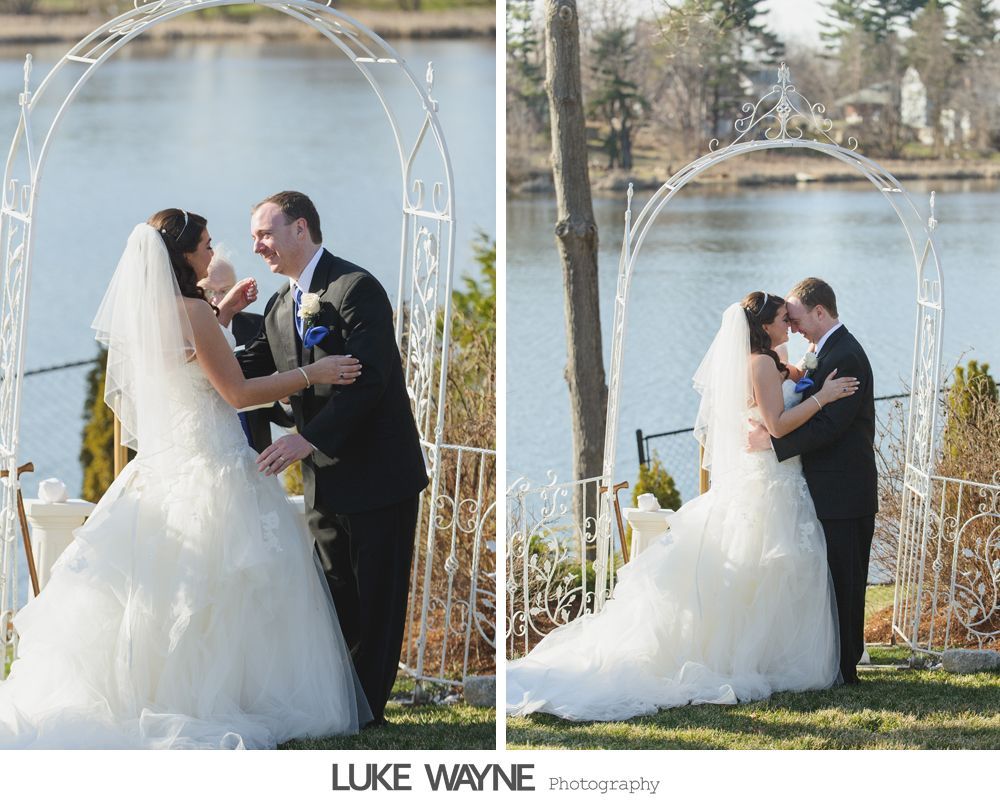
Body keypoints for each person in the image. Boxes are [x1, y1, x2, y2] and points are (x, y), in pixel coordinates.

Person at [0, 210, 370, 748]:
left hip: (165, 465)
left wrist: (222, 315)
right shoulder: (194, 311)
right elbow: (240, 394)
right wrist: (313, 373)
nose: (211, 249)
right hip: (214, 464)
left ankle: (151, 693)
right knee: (229, 589)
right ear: (182, 256)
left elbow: (187, 360)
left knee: (165, 593)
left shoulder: (154, 313)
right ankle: (223, 698)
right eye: (204, 243)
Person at [506, 292, 858, 721]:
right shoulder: (761, 364)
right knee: (769, 567)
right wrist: (825, 397)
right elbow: (778, 423)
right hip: (769, 481)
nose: (790, 325)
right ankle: (757, 658)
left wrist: (806, 379)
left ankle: (767, 654)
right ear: (765, 325)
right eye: (784, 318)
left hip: (776, 474)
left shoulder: (769, 360)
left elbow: (782, 395)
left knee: (768, 570)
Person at [238, 191, 428, 726]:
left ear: (301, 228)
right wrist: (212, 319)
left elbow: (370, 380)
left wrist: (308, 440)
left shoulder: (355, 289)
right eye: (255, 236)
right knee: (335, 596)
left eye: (265, 233)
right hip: (322, 481)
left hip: (379, 474)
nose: (258, 246)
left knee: (378, 599)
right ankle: (337, 703)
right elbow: (245, 374)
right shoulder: (280, 305)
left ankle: (367, 712)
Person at [748, 278, 877, 684]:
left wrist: (773, 444)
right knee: (827, 579)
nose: (795, 326)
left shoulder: (847, 356)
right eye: (788, 320)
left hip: (844, 489)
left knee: (848, 578)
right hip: (817, 486)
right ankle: (830, 661)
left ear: (820, 311)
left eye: (798, 318)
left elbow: (830, 427)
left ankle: (846, 667)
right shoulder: (819, 353)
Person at [198, 248, 281, 452]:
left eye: (224, 291)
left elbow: (280, 414)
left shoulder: (260, 327)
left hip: (257, 458)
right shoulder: (185, 336)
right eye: (208, 291)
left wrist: (286, 400)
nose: (217, 300)